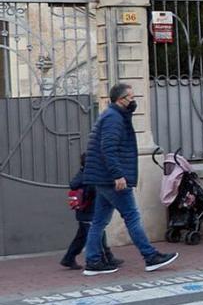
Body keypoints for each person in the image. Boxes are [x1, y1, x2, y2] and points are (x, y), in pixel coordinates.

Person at [80, 83, 179, 276]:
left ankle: (93, 261)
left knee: (99, 221)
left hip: (102, 177)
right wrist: (118, 175)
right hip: (111, 179)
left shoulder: (115, 116)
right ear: (120, 100)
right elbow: (108, 148)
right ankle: (150, 256)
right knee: (132, 216)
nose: (133, 102)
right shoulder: (113, 118)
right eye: (130, 98)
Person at [61, 154, 120, 270]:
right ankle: (104, 259)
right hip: (89, 212)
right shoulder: (89, 177)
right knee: (97, 234)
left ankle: (69, 258)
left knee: (82, 237)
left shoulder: (82, 174)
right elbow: (94, 191)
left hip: (85, 212)